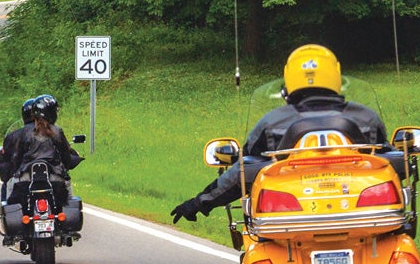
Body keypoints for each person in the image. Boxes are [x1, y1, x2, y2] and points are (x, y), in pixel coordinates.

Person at [170, 44, 398, 224]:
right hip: (363, 215)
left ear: (289, 80)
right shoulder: (367, 118)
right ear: (336, 76)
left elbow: (243, 169)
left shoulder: (271, 122)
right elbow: (389, 162)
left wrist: (200, 203)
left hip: (289, 219)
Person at [1, 94, 83, 207]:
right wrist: (65, 168)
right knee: (67, 201)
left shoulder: (24, 132)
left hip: (26, 179)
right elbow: (66, 157)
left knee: (11, 192)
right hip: (55, 178)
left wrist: (16, 171)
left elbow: (17, 156)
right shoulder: (57, 131)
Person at [0, 98, 36, 202]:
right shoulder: (54, 133)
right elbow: (66, 154)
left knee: (7, 187)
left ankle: (4, 214)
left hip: (21, 179)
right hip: (51, 179)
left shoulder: (14, 136)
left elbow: (5, 157)